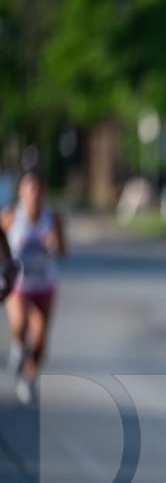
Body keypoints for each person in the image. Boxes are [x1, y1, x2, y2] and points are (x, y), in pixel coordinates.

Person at [2, 172, 67, 404]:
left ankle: (28, 379)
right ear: (21, 193)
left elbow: (64, 253)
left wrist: (55, 243)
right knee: (19, 324)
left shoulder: (53, 219)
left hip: (44, 284)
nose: (34, 194)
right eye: (30, 189)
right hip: (19, 284)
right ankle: (18, 347)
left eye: (38, 189)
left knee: (40, 340)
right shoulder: (11, 217)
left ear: (44, 193)